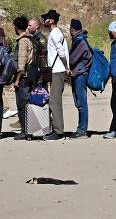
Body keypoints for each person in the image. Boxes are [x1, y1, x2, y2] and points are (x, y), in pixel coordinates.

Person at [41, 9, 70, 141]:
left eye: (46, 18)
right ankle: (56, 130)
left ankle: (59, 133)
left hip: (58, 70)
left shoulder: (54, 33)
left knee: (54, 102)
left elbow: (62, 52)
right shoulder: (56, 33)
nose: (43, 21)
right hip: (58, 70)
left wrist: (66, 67)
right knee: (54, 101)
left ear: (51, 20)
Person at [68, 19, 92, 139]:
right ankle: (81, 128)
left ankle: (82, 130)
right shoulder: (81, 40)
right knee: (80, 102)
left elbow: (72, 59)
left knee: (81, 103)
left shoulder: (79, 41)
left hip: (80, 75)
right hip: (79, 74)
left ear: (72, 29)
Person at [11, 16, 35, 140]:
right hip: (30, 76)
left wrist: (17, 80)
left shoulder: (22, 41)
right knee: (28, 104)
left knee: (22, 106)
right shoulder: (30, 39)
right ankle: (30, 130)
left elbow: (21, 64)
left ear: (16, 27)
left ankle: (25, 131)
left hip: (23, 78)